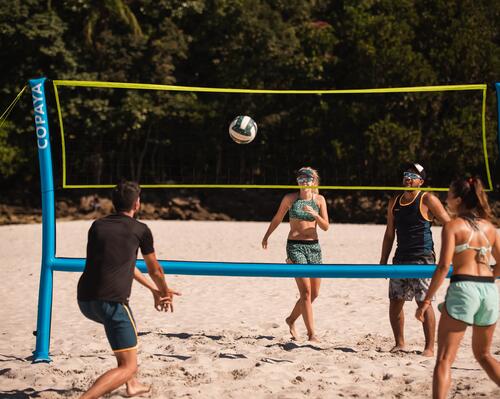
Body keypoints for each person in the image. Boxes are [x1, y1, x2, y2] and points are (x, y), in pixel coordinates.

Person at [77, 180, 179, 399]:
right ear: (138, 204)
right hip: (111, 302)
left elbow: (122, 263)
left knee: (125, 332)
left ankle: (132, 385)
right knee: (128, 366)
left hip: (85, 300)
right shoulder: (141, 230)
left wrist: (153, 290)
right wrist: (164, 290)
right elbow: (156, 270)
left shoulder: (97, 226)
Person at [415, 177, 499, 398]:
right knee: (484, 355)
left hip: (464, 287)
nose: (445, 198)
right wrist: (489, 277)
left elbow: (443, 267)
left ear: (459, 200)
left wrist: (426, 301)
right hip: (489, 291)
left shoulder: (453, 226)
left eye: (449, 194)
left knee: (444, 360)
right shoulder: (490, 227)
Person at [380, 163, 450, 356]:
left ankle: (429, 347)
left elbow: (450, 224)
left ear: (421, 181)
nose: (408, 178)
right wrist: (383, 262)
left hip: (423, 258)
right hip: (400, 257)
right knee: (395, 302)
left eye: (413, 175)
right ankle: (400, 343)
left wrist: (452, 249)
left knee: (423, 302)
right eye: (406, 174)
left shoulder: (427, 199)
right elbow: (389, 234)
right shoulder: (395, 201)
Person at [262, 167, 329, 342]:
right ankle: (311, 334)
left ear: (314, 181)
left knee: (314, 293)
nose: (304, 181)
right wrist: (267, 235)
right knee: (305, 293)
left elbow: (325, 226)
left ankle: (291, 320)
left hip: (314, 247)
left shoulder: (319, 200)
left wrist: (315, 214)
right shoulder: (290, 198)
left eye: (308, 178)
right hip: (295, 247)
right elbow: (277, 218)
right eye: (301, 177)